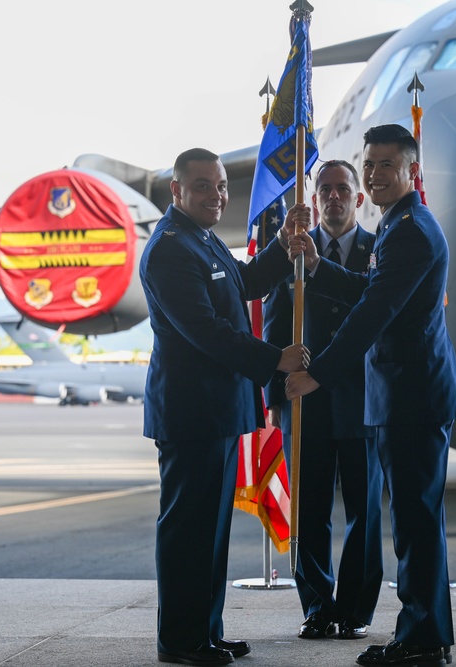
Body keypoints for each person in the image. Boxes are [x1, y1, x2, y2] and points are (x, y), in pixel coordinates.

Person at [286, 125, 456, 667]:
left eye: (387, 165)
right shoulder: (398, 225)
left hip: (412, 398)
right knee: (417, 523)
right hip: (408, 396)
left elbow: (373, 313)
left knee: (415, 525)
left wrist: (320, 372)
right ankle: (428, 634)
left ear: (412, 170)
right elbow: (371, 290)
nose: (374, 174)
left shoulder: (409, 230)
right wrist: (319, 269)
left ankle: (421, 640)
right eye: (370, 164)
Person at [140, 147, 315, 667]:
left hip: (216, 412)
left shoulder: (203, 241)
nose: (216, 195)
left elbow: (247, 283)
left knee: (211, 533)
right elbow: (205, 332)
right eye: (202, 186)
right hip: (192, 414)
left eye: (220, 186)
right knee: (187, 530)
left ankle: (205, 632)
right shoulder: (170, 249)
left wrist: (285, 246)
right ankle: (180, 639)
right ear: (176, 191)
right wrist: (274, 359)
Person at [264, 160, 383, 641]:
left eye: (343, 189)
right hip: (304, 406)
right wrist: (275, 395)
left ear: (359, 199)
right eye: (325, 190)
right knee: (309, 513)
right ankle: (316, 605)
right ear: (313, 200)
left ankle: (352, 609)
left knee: (364, 513)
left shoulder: (381, 251)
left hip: (363, 400)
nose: (333, 197)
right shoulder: (293, 251)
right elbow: (275, 324)